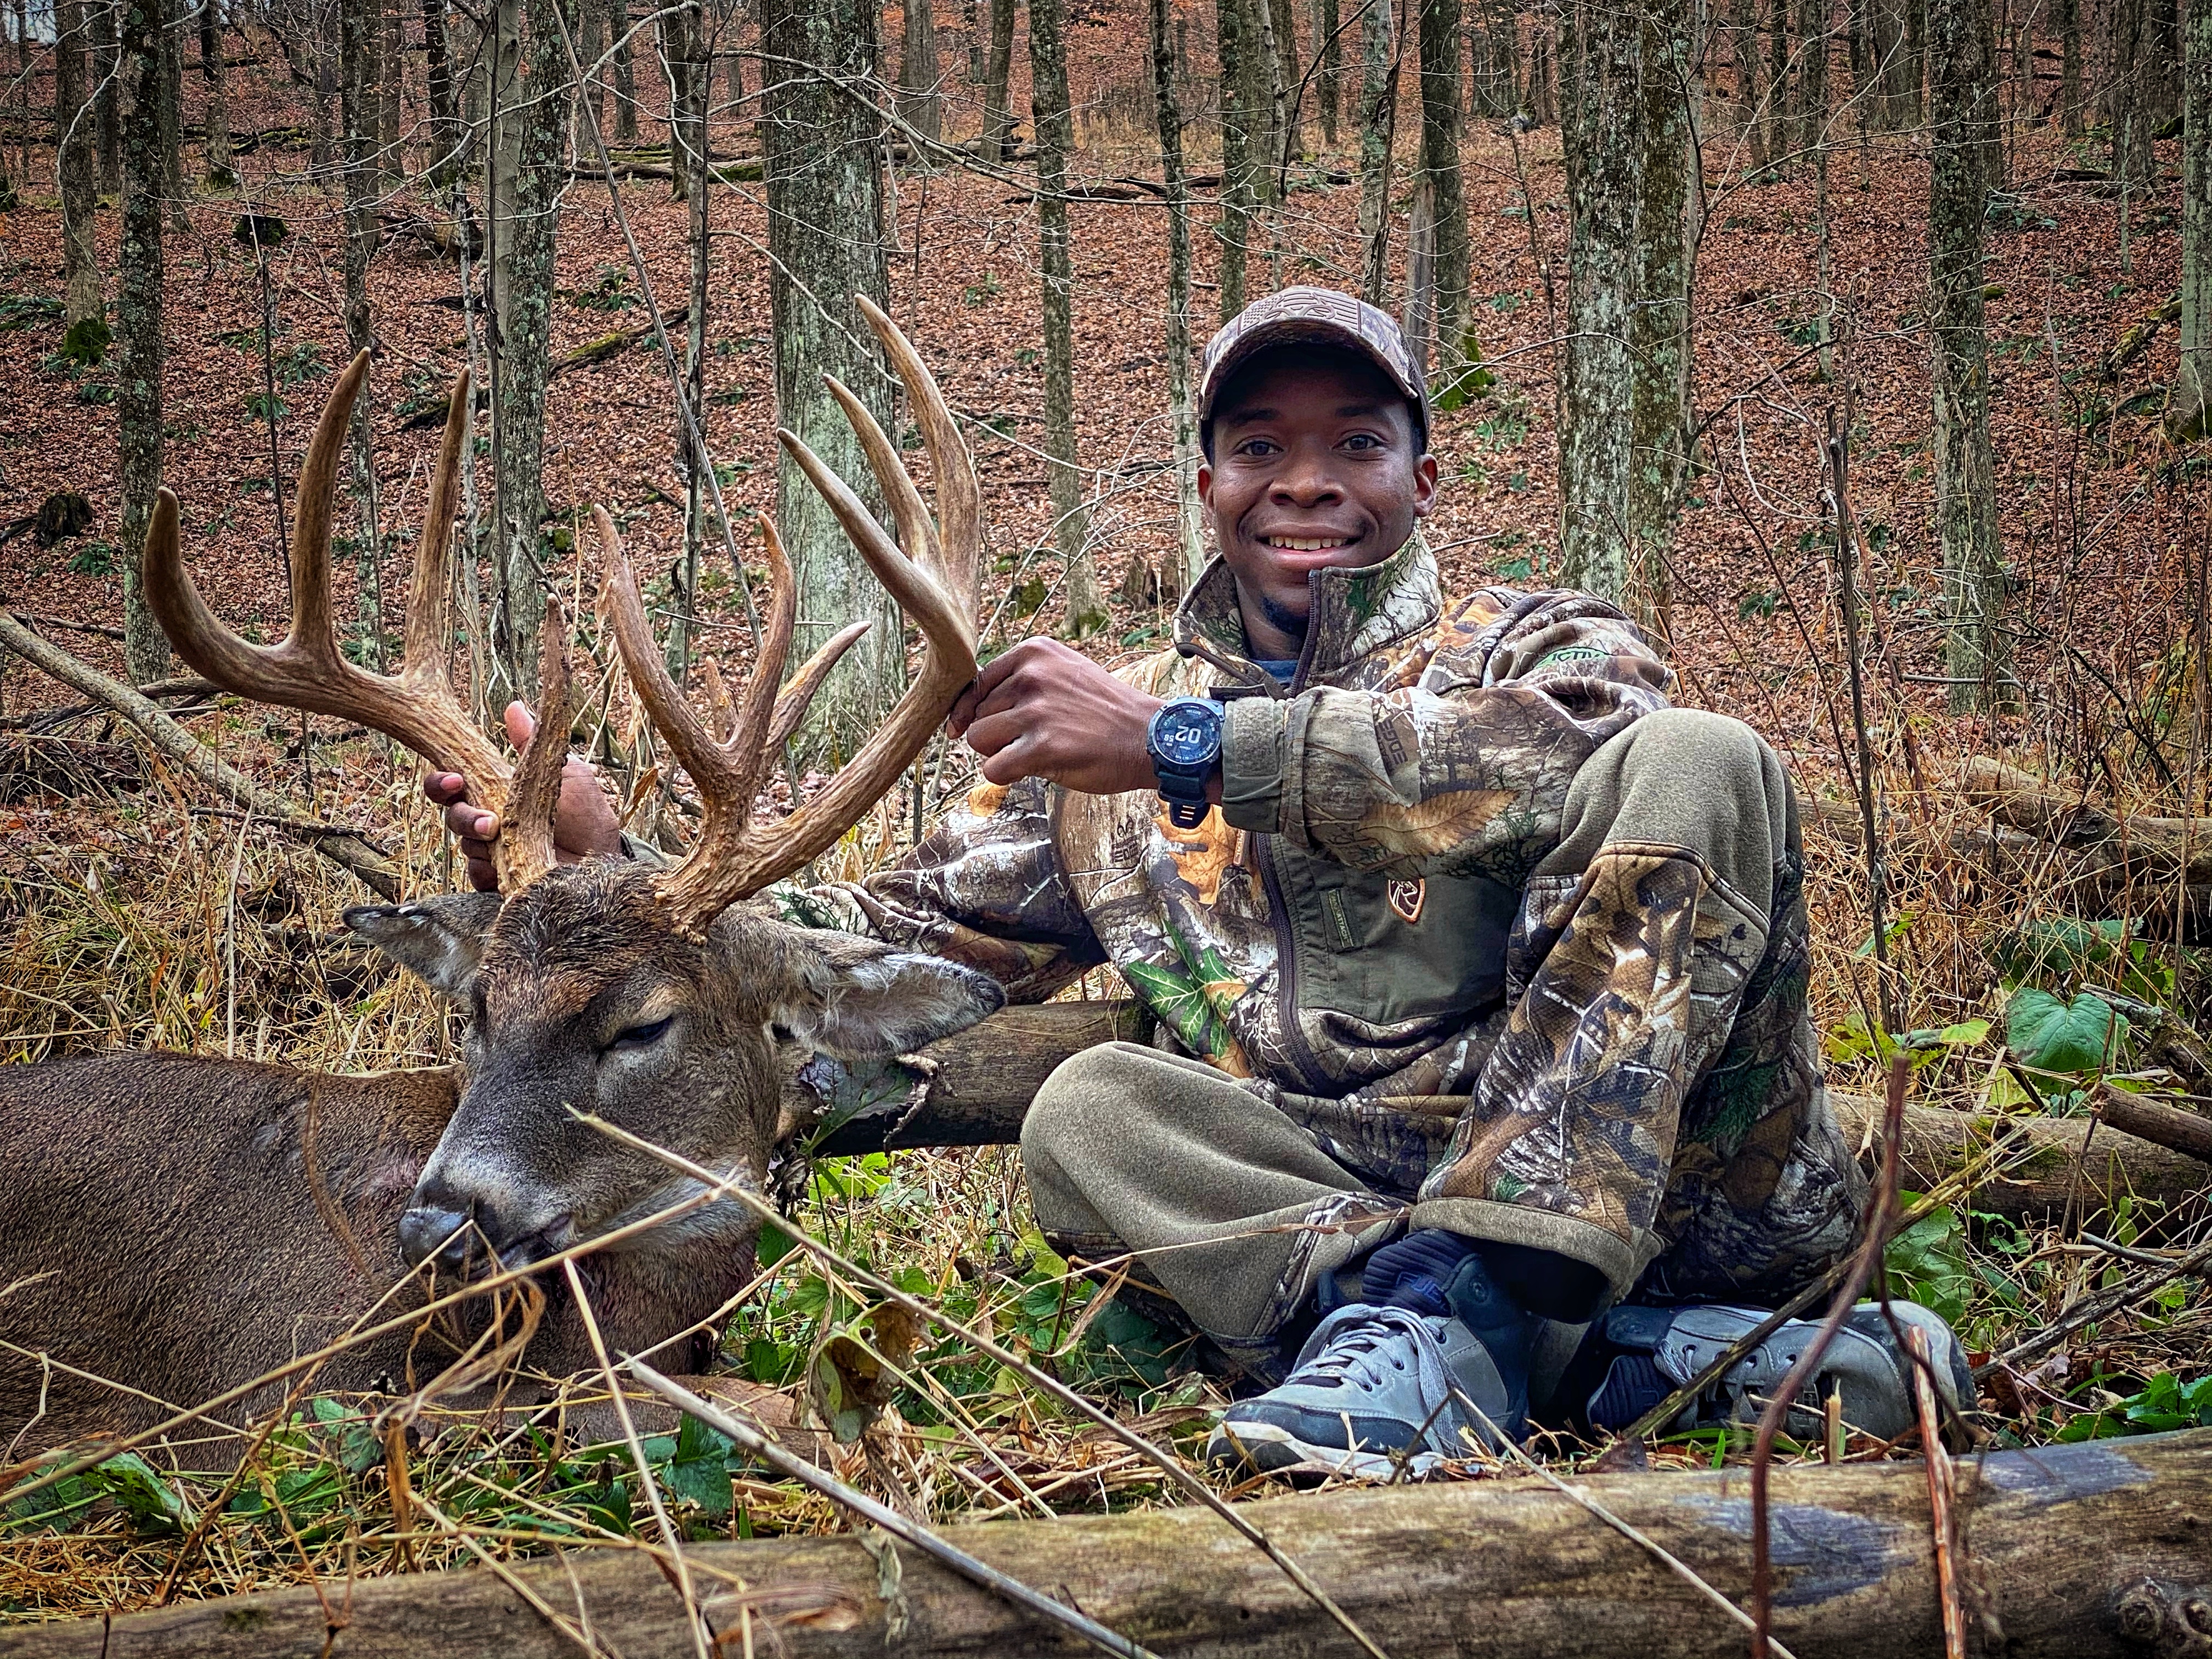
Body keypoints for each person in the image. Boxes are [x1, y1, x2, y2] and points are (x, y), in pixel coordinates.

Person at [430, 287, 1973, 1477]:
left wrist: (1185, 745)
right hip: (1342, 1217)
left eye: (1354, 445)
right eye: (1262, 449)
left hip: (1680, 1200)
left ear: (1424, 476)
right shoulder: (1099, 756)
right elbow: (843, 959)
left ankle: (1483, 1327)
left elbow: (1595, 759)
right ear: (1207, 482)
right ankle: (1612, 1363)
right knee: (1093, 1107)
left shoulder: (1539, 644)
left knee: (1706, 755)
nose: (1308, 483)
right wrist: (620, 878)